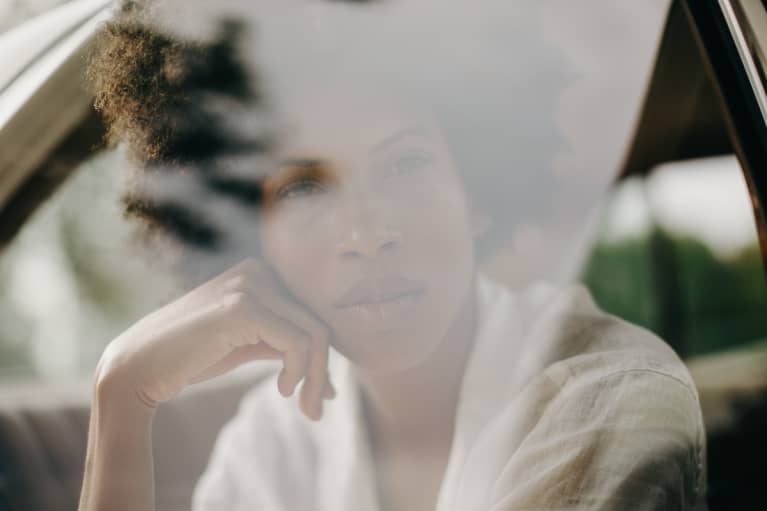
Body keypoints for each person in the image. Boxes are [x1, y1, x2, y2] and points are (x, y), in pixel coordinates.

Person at [78, 1, 706, 510]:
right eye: (304, 188)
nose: (366, 234)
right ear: (249, 239)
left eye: (405, 164)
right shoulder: (275, 442)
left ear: (478, 187)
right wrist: (125, 394)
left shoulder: (604, 398)